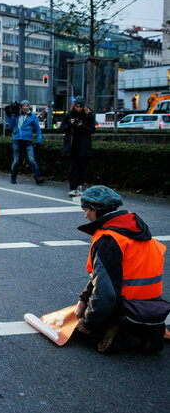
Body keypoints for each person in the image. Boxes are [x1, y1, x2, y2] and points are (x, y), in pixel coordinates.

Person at [73, 186, 169, 353]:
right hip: (154, 309)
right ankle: (148, 332)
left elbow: (106, 292)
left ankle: (120, 333)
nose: (85, 215)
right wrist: (83, 299)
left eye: (85, 209)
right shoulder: (138, 231)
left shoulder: (108, 240)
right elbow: (105, 276)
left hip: (125, 309)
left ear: (94, 209)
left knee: (81, 328)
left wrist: (87, 323)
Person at [60, 97, 95, 197]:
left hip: (83, 146)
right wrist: (70, 125)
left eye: (81, 107)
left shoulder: (89, 116)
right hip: (72, 145)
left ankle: (80, 187)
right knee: (72, 168)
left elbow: (92, 130)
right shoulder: (69, 115)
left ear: (84, 107)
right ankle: (73, 188)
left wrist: (82, 125)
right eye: (77, 107)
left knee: (82, 168)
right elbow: (62, 129)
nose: (79, 109)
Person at [5, 100, 43, 185]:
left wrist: (39, 140)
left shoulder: (33, 116)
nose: (25, 107)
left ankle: (38, 178)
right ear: (21, 107)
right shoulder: (16, 115)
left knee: (32, 160)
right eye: (24, 106)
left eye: (27, 106)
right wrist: (9, 116)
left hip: (28, 141)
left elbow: (37, 129)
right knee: (16, 161)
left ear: (29, 107)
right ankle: (13, 178)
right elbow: (11, 126)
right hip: (17, 140)